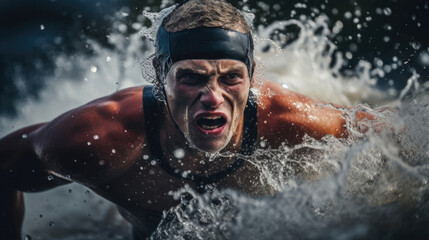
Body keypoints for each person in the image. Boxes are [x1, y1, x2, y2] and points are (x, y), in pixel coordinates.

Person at [0, 0, 375, 239]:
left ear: (252, 76)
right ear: (160, 79)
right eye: (191, 77)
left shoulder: (291, 121)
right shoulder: (100, 139)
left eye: (231, 77)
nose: (213, 98)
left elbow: (393, 133)